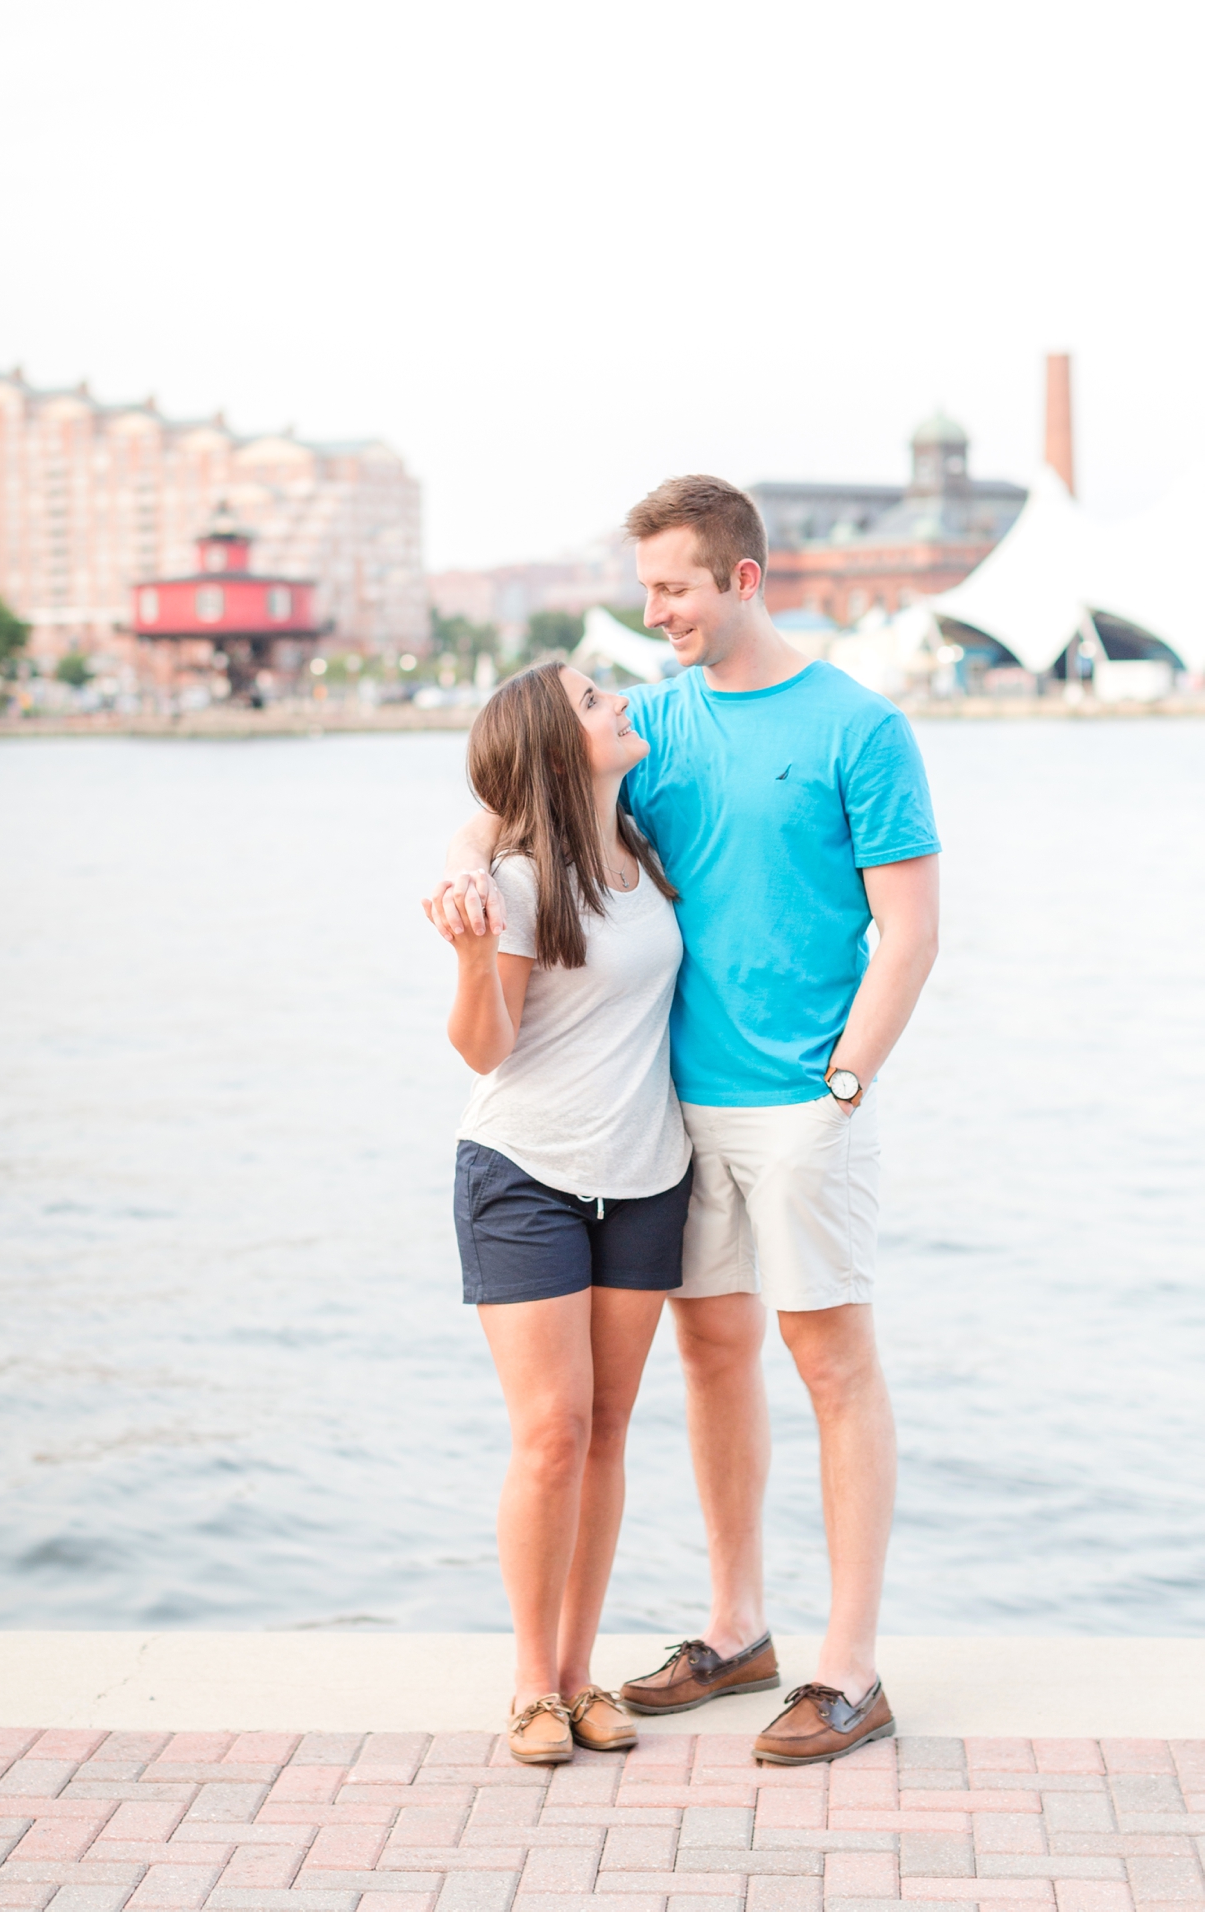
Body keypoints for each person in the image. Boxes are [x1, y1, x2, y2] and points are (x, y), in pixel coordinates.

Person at [428, 474, 940, 1766]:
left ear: (744, 580)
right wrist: (457, 858)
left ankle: (849, 1667)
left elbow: (913, 932)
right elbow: (518, 776)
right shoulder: (648, 724)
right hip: (671, 1121)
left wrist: (846, 1082)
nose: (653, 613)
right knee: (715, 1357)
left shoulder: (857, 729)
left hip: (803, 1107)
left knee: (834, 1366)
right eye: (646, 586)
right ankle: (735, 1627)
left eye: (674, 589)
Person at [423, 660, 694, 1765]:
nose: (619, 700)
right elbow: (483, 1046)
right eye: (593, 699)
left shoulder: (648, 851)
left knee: (610, 1433)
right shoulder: (525, 883)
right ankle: (532, 1687)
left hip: (644, 1176)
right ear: (556, 742)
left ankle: (582, 1679)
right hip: (524, 1175)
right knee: (551, 1436)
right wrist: (474, 954)